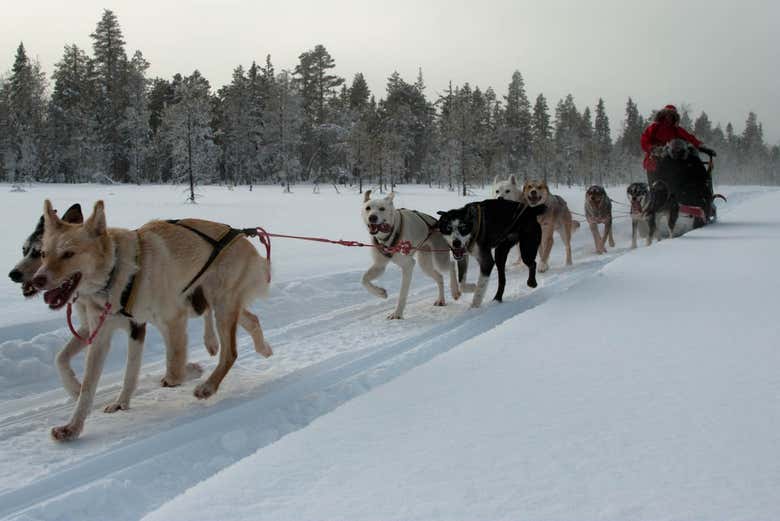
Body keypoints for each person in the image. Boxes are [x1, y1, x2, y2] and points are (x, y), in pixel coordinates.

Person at [640, 104, 716, 172]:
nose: (669, 117)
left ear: (675, 117)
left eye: (671, 115)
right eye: (667, 114)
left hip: (673, 159)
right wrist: (652, 149)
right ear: (663, 115)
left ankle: (699, 183)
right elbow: (644, 139)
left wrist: (701, 146)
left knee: (692, 162)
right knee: (656, 166)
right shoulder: (655, 127)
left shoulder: (676, 129)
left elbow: (690, 138)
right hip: (655, 158)